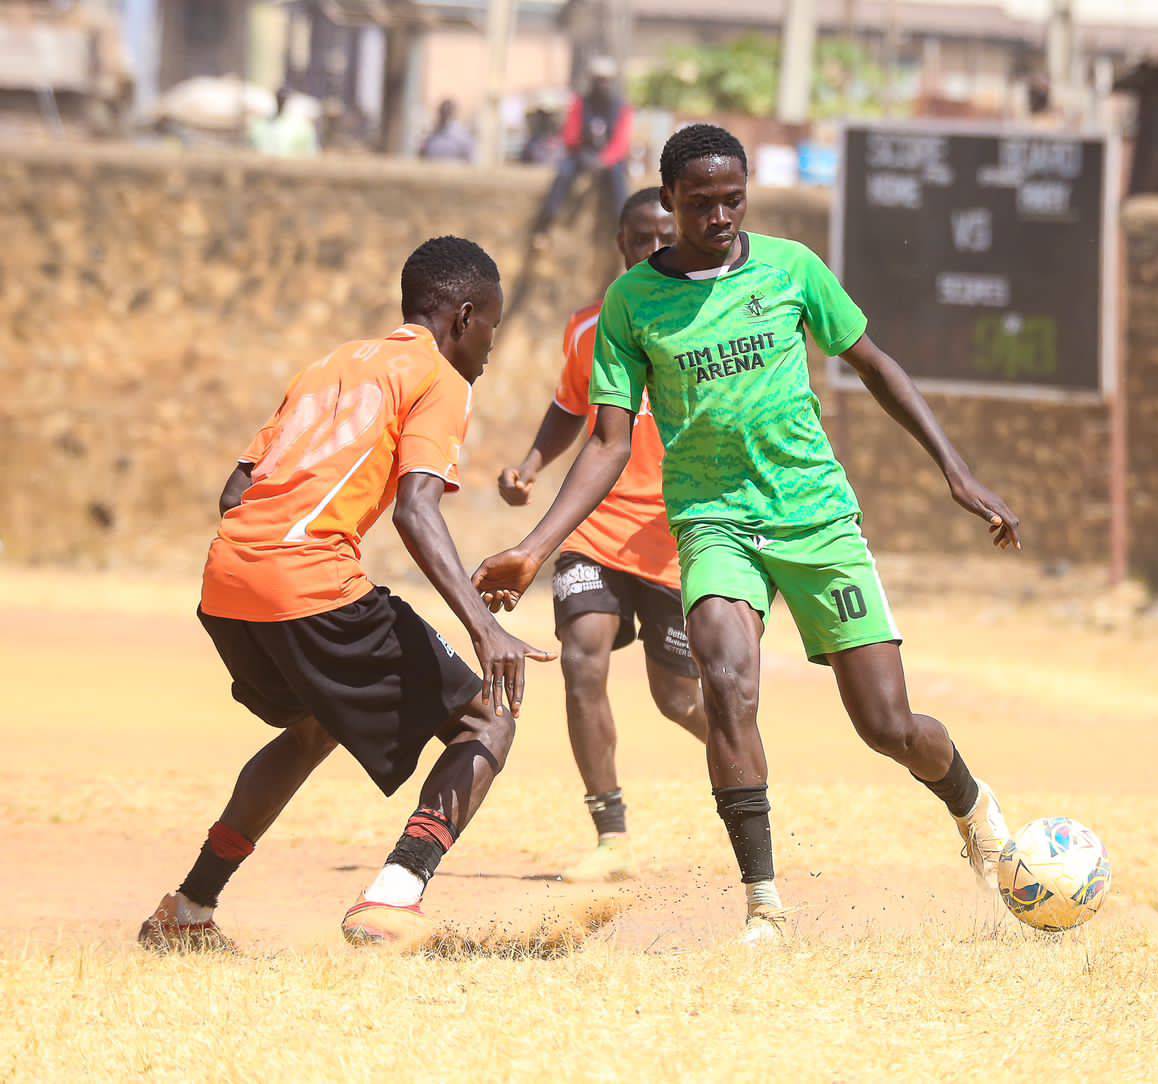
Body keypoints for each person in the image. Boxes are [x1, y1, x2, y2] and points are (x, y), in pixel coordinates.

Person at [473, 124, 1018, 945]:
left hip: (815, 516)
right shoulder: (632, 304)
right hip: (712, 519)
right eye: (701, 203)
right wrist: (535, 546)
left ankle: (973, 806)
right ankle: (764, 905)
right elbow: (610, 442)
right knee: (725, 685)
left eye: (733, 198)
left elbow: (874, 363)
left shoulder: (792, 268)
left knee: (887, 726)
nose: (721, 215)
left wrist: (957, 470)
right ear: (670, 203)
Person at [138, 236, 554, 953]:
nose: (490, 342)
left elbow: (235, 489)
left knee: (309, 728)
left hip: (228, 582)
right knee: (488, 719)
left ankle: (189, 910)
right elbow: (416, 509)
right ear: (461, 315)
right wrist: (486, 630)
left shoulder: (330, 364)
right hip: (307, 582)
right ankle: (394, 898)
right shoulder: (440, 379)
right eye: (491, 322)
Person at [499, 188, 708, 883]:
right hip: (596, 525)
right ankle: (611, 834)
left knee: (678, 700)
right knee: (582, 658)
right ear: (620, 242)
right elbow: (570, 406)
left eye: (662, 238)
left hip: (674, 533)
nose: (651, 250)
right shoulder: (589, 326)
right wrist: (531, 465)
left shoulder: (705, 320)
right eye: (638, 238)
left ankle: (748, 765)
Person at [532, 57, 633, 238]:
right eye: (598, 79)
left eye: (606, 80)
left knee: (618, 179)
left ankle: (623, 227)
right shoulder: (580, 104)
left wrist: (604, 160)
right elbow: (570, 134)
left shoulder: (621, 108)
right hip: (582, 155)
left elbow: (621, 142)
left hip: (610, 160)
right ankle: (545, 223)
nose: (602, 84)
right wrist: (583, 155)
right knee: (564, 173)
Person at [250, 87, 318, 158]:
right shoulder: (260, 125)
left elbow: (310, 154)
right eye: (280, 98)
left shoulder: (302, 127)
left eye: (283, 99)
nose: (281, 101)